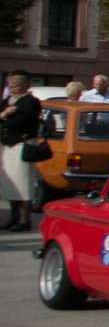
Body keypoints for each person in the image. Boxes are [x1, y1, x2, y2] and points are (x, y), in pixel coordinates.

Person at [0, 72, 43, 232]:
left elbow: (22, 121)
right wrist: (4, 115)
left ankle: (25, 220)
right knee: (10, 184)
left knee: (24, 184)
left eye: (16, 87)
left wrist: (5, 120)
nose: (12, 90)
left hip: (23, 145)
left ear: (25, 86)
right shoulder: (8, 101)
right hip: (8, 145)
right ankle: (13, 217)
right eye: (10, 87)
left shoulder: (31, 102)